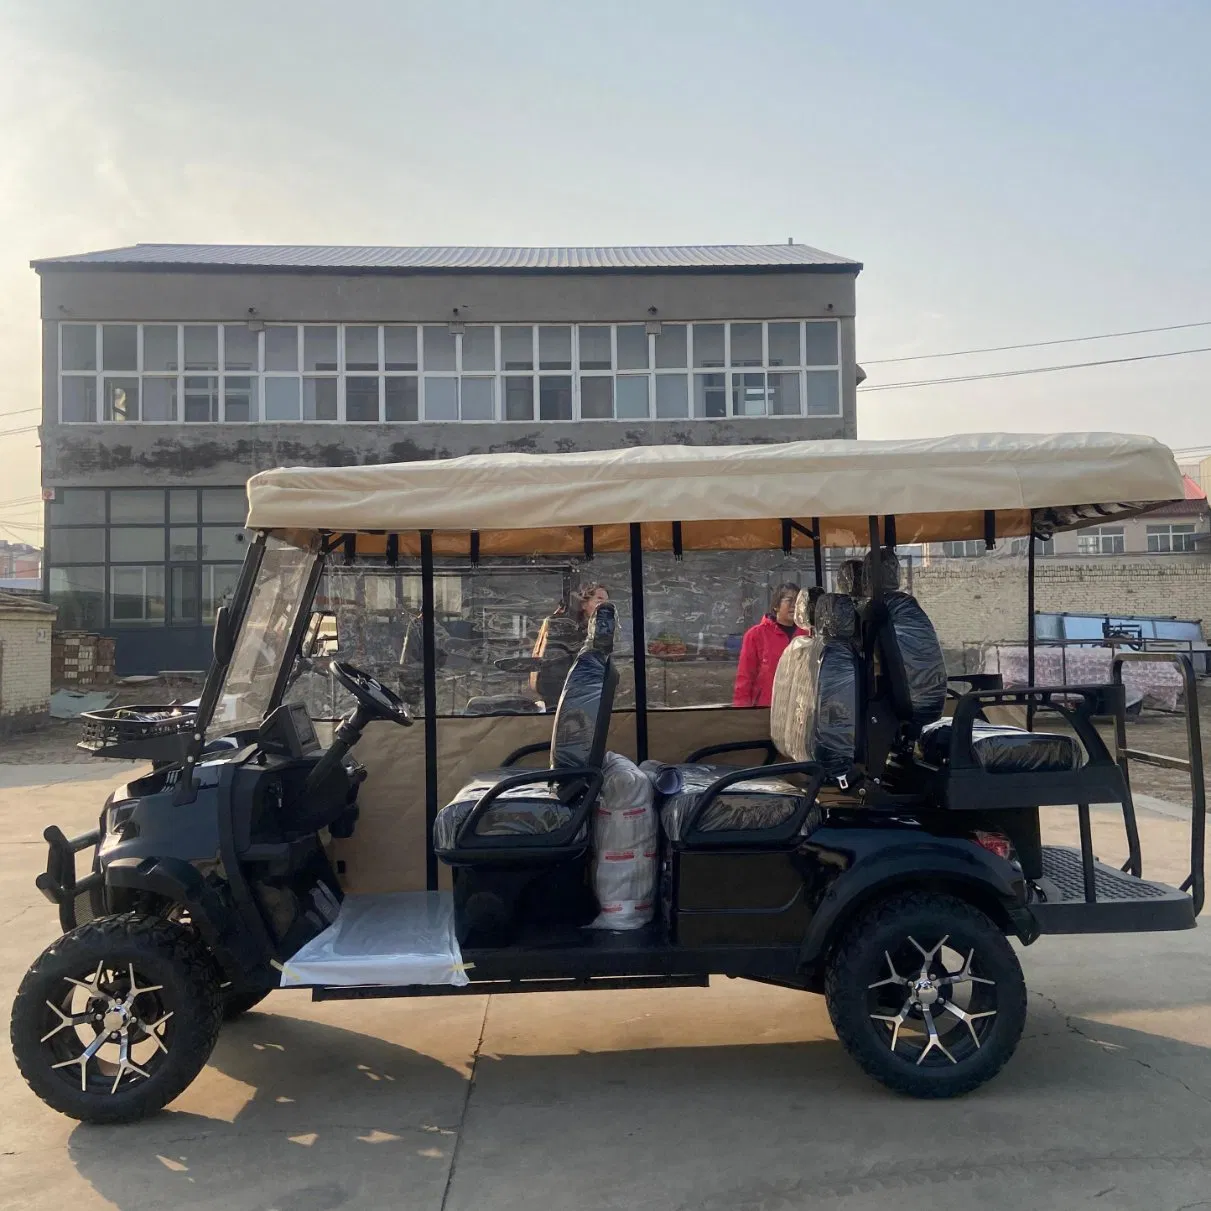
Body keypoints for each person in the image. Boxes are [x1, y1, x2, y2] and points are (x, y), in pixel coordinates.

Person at [531, 584, 610, 707]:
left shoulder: (602, 630)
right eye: (599, 600)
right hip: (563, 695)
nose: (606, 605)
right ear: (584, 604)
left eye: (607, 601)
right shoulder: (566, 629)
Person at [732, 582, 805, 708]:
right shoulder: (756, 635)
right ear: (776, 605)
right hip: (766, 708)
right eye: (789, 600)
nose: (794, 606)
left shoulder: (807, 635)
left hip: (799, 709)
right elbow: (745, 676)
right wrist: (741, 711)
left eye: (798, 601)